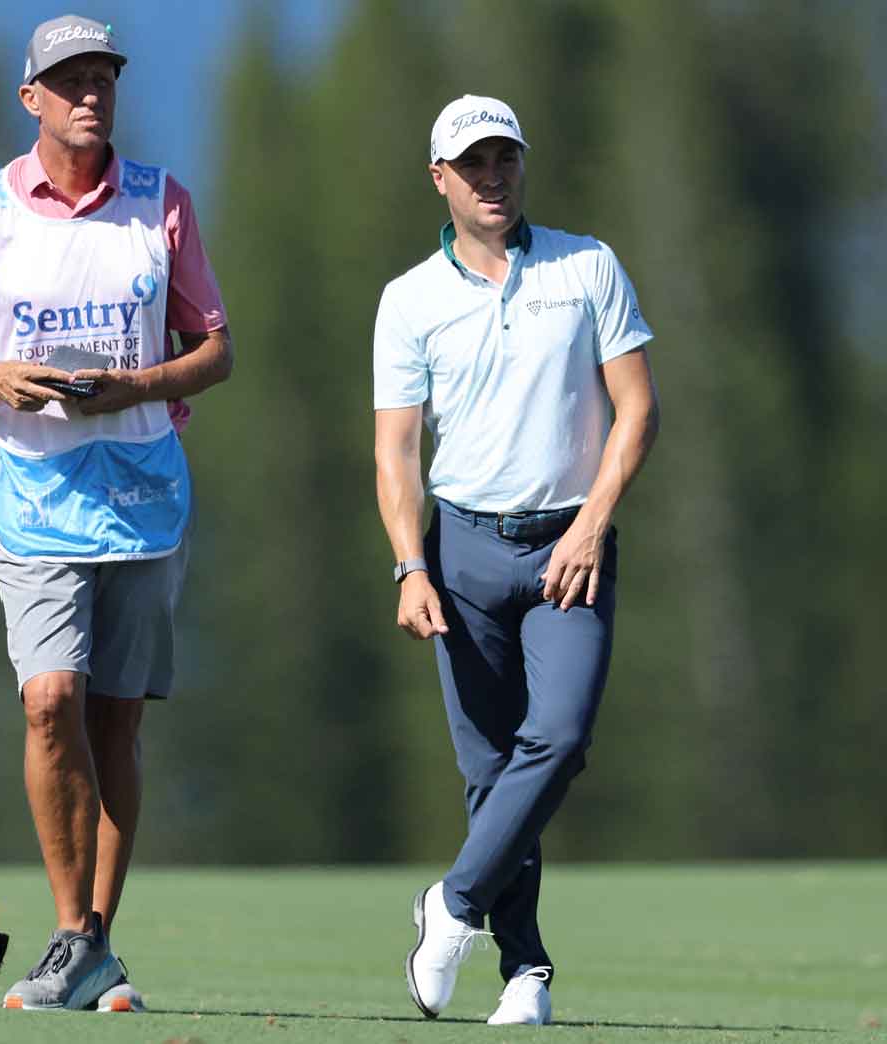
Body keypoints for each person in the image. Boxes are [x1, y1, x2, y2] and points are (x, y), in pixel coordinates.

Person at [0, 13, 232, 1014]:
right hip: (35, 498)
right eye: (68, 79)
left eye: (103, 77)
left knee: (117, 719)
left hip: (142, 494)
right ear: (29, 96)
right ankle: (70, 931)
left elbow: (214, 350)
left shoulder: (158, 204)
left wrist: (137, 386)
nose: (90, 93)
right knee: (49, 704)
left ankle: (91, 946)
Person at [373, 94, 658, 1026]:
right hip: (461, 553)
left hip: (569, 548)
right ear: (440, 179)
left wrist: (592, 524)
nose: (493, 178)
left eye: (506, 161)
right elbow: (397, 452)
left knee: (561, 739)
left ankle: (449, 906)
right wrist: (410, 566)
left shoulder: (588, 265)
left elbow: (636, 409)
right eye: (474, 164)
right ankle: (525, 971)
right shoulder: (410, 299)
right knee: (491, 771)